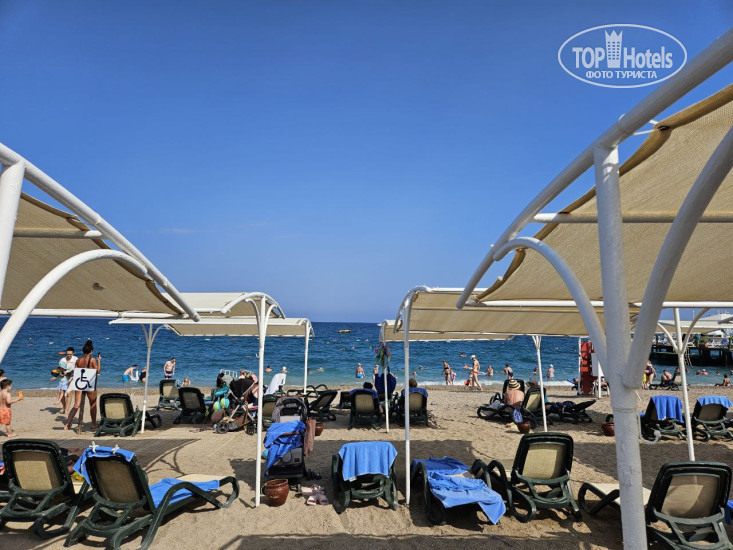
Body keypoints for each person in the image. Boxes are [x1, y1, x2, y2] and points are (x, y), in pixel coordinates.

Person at [64, 339, 100, 431]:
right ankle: (93, 424)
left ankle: (67, 424)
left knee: (76, 405)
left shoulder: (78, 360)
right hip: (89, 383)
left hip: (79, 383)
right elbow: (98, 371)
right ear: (91, 351)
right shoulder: (92, 360)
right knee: (93, 404)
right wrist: (99, 361)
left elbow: (76, 372)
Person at [54, 347, 77, 413]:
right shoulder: (62, 360)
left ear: (73, 353)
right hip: (63, 378)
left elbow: (77, 370)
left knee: (69, 393)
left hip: (72, 377)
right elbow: (59, 370)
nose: (69, 355)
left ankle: (66, 410)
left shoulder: (76, 360)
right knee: (62, 393)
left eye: (70, 354)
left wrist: (70, 376)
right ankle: (64, 406)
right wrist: (57, 375)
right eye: (68, 354)